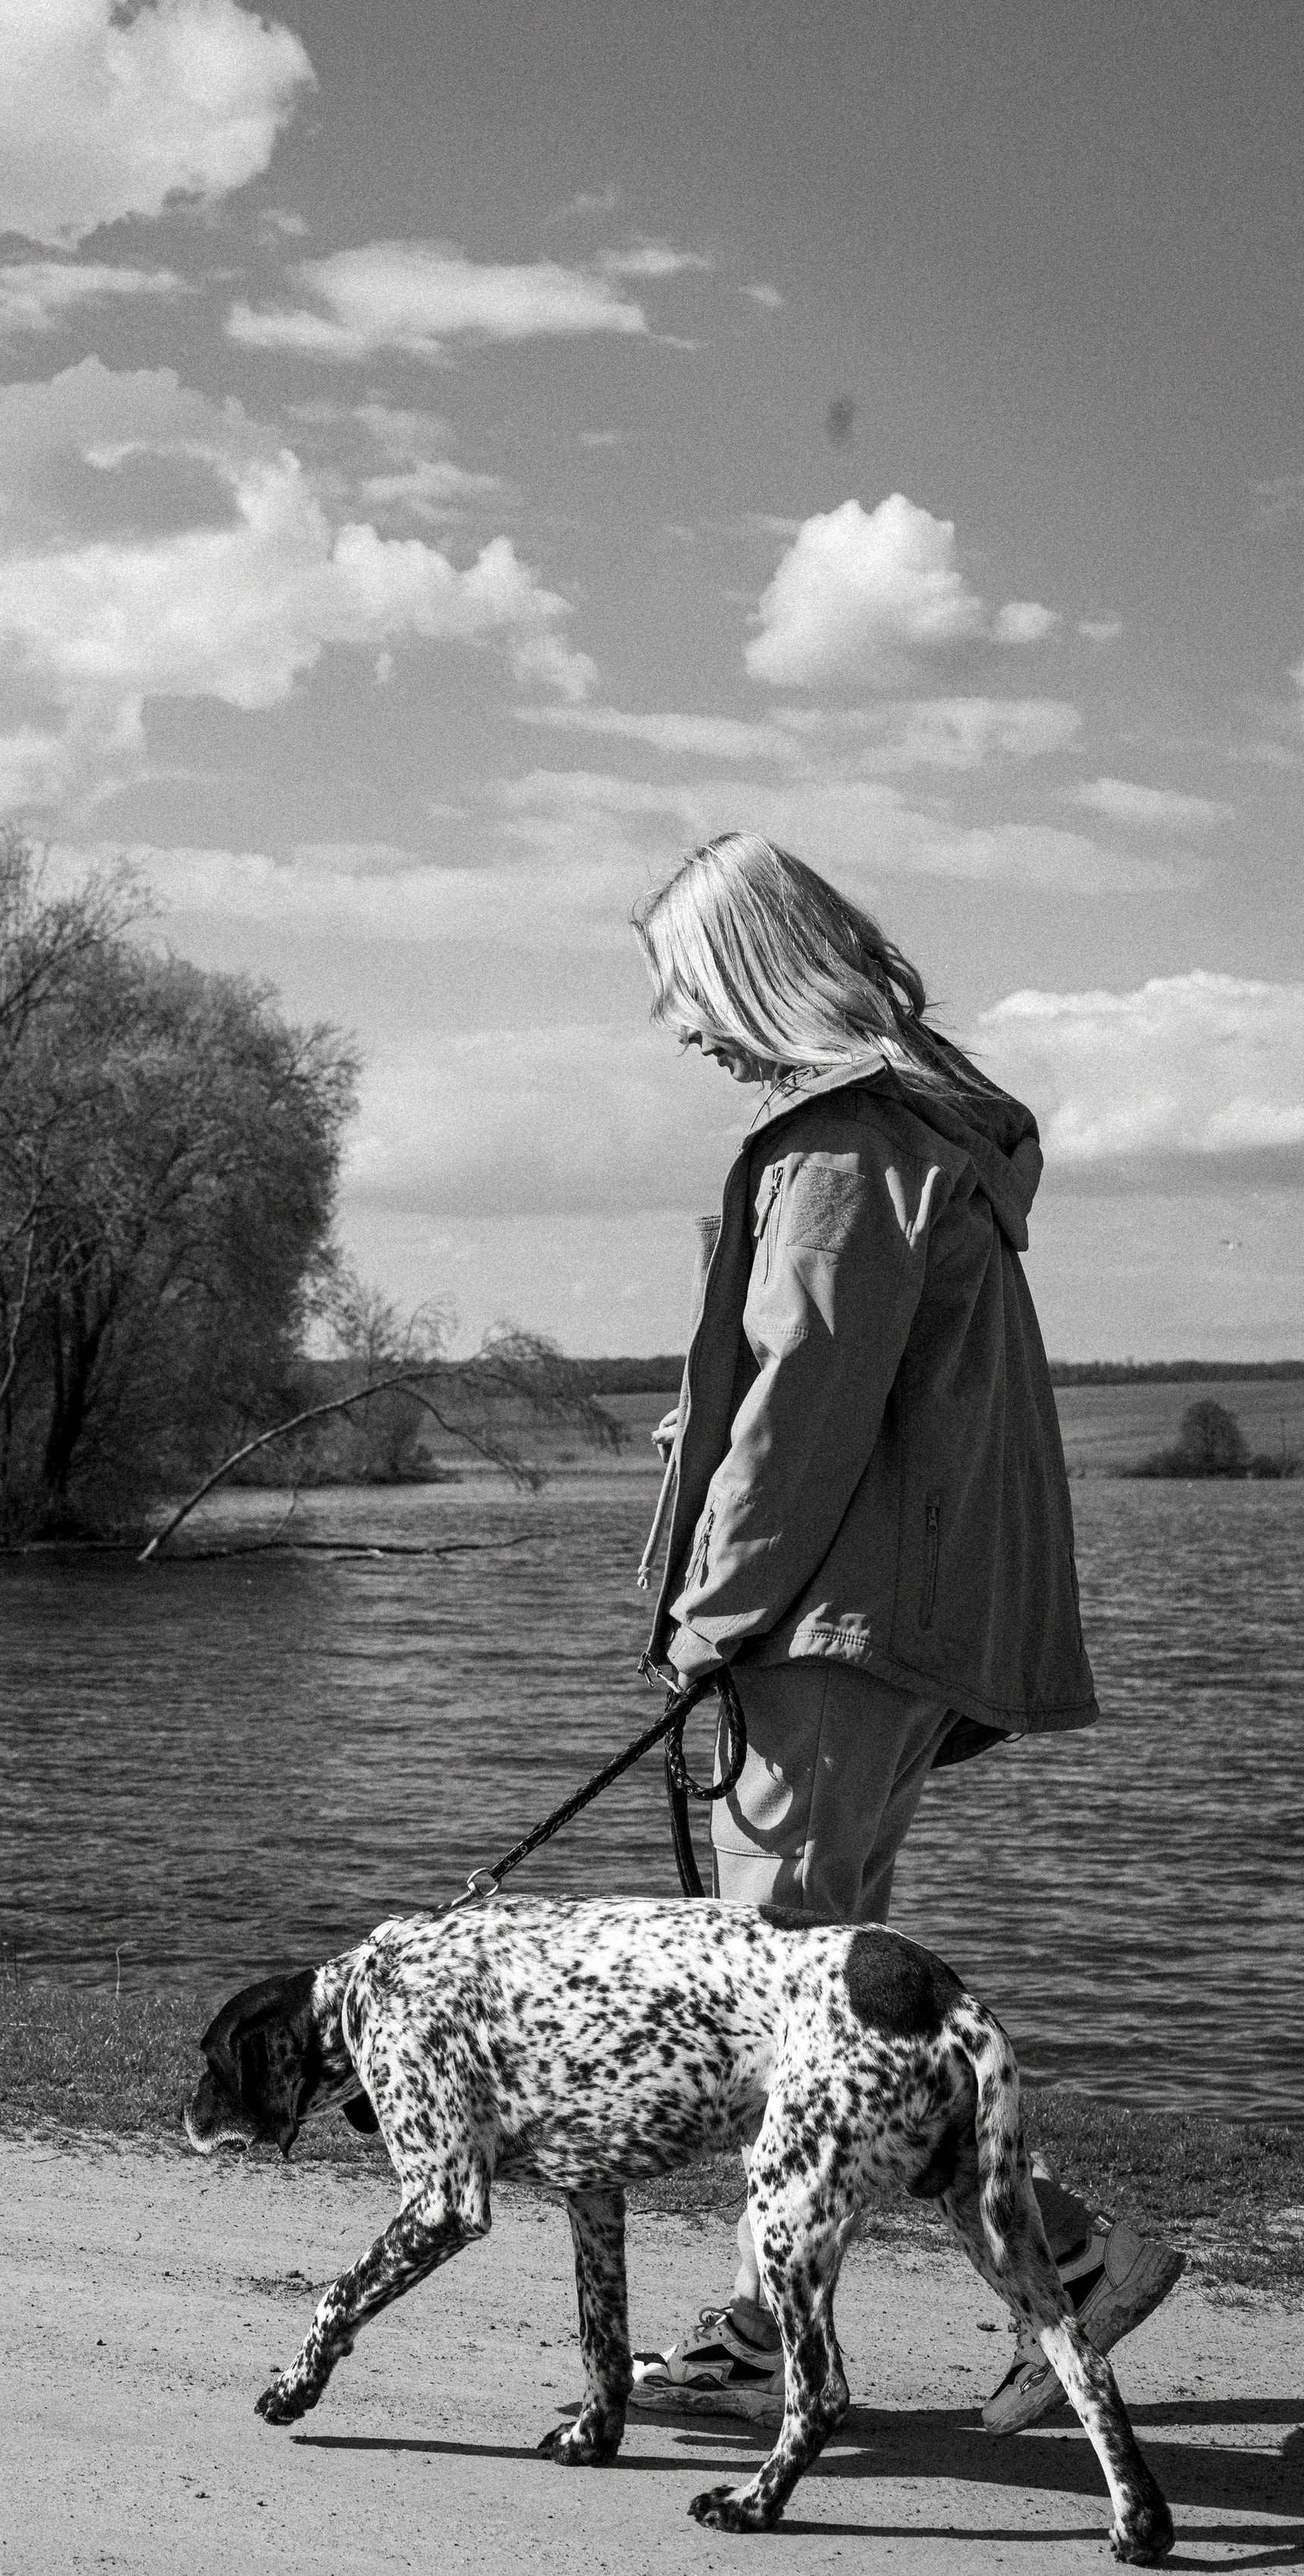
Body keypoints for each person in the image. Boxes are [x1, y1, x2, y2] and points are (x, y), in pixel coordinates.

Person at [624, 832, 1183, 2435]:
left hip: (826, 1621)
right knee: (821, 2004)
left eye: (684, 993)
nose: (682, 1033)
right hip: (866, 1614)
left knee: (795, 2013)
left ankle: (1055, 2261)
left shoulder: (838, 1149)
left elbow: (804, 1409)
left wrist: (708, 1619)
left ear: (750, 972)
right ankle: (789, 2316)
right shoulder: (901, 1137)